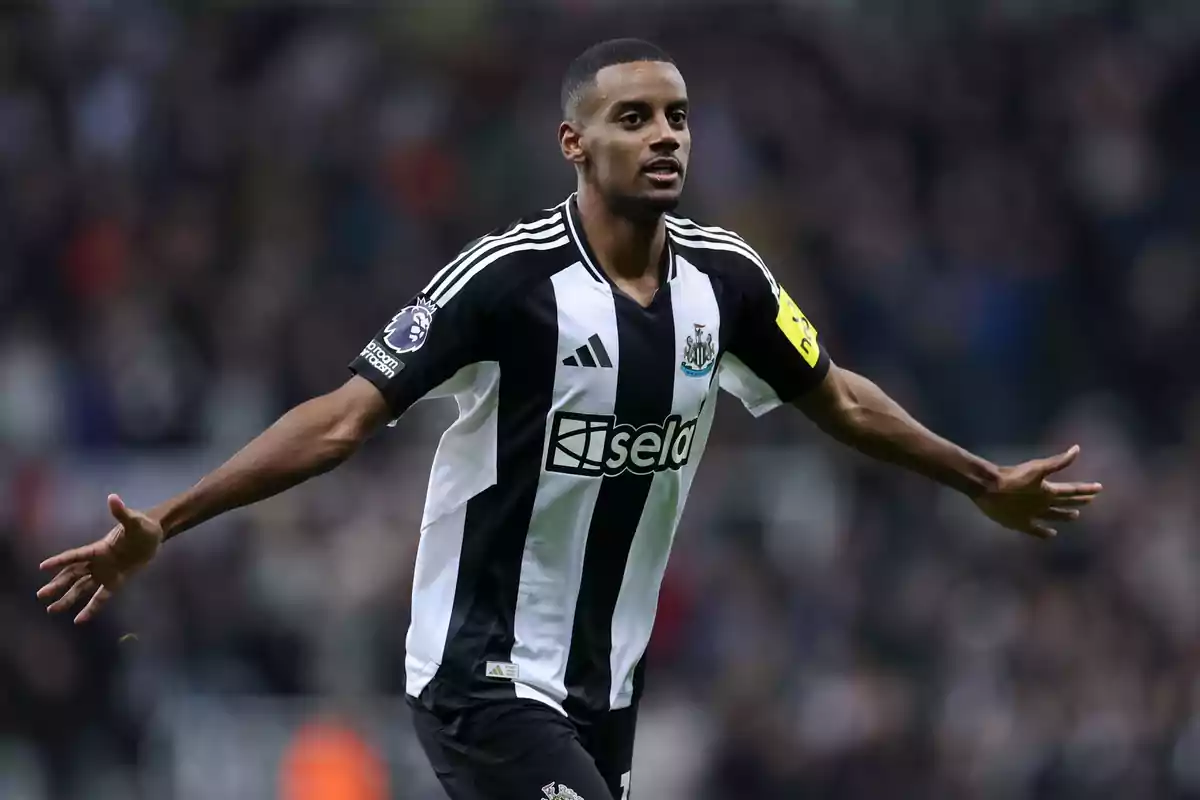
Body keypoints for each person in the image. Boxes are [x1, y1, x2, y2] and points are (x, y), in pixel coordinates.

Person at [37, 38, 1102, 800]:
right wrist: (168, 522)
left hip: (603, 684)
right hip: (481, 672)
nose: (664, 136)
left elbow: (840, 395)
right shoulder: (508, 281)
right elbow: (339, 419)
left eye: (677, 115)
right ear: (573, 143)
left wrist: (979, 478)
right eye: (631, 117)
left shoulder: (727, 282)